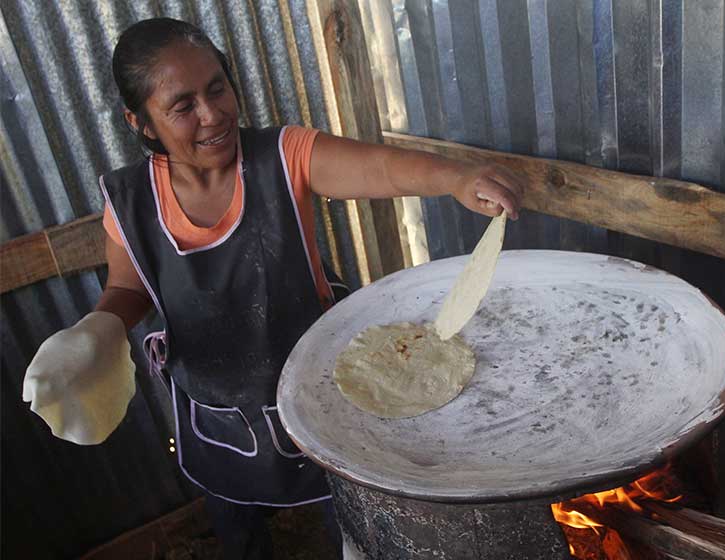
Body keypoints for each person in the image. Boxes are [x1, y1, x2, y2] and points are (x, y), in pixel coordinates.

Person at [22, 17, 524, 560]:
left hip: (318, 396)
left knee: (350, 523)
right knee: (237, 529)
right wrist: (100, 327)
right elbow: (130, 284)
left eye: (218, 87)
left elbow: (381, 167)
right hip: (217, 411)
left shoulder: (282, 157)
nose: (212, 114)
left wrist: (454, 179)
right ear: (141, 122)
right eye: (182, 105)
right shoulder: (130, 203)